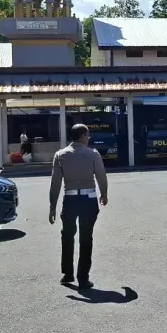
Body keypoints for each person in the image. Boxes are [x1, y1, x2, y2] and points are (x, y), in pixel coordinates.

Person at [49, 124, 108, 289]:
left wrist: (52, 206)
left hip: (70, 200)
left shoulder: (60, 155)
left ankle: (67, 274)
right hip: (88, 200)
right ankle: (83, 278)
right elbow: (101, 176)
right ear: (82, 135)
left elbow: (55, 183)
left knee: (67, 236)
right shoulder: (93, 154)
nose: (89, 137)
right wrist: (104, 193)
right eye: (88, 134)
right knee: (86, 238)